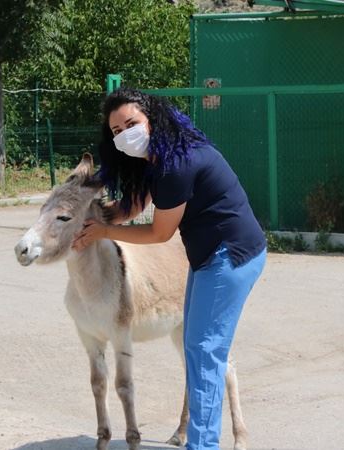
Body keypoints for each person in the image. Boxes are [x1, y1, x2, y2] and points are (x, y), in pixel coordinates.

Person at [72, 87, 266, 450]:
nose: (124, 135)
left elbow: (160, 232)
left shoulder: (176, 164)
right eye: (116, 131)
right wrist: (87, 215)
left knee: (204, 351)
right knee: (198, 349)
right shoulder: (160, 156)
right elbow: (132, 205)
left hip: (230, 256)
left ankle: (202, 445)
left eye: (131, 123)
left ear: (152, 119)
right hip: (210, 256)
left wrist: (103, 231)